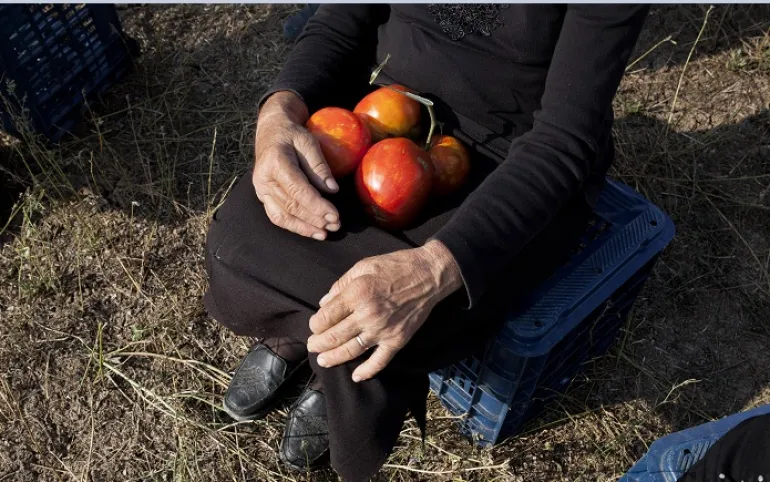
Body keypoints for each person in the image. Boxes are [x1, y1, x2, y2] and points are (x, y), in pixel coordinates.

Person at [204, 4, 650, 481]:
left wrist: (436, 268)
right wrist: (279, 111)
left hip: (509, 165)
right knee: (238, 240)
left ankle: (325, 367)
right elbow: (342, 19)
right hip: (384, 111)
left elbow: (565, 138)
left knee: (381, 331)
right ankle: (302, 338)